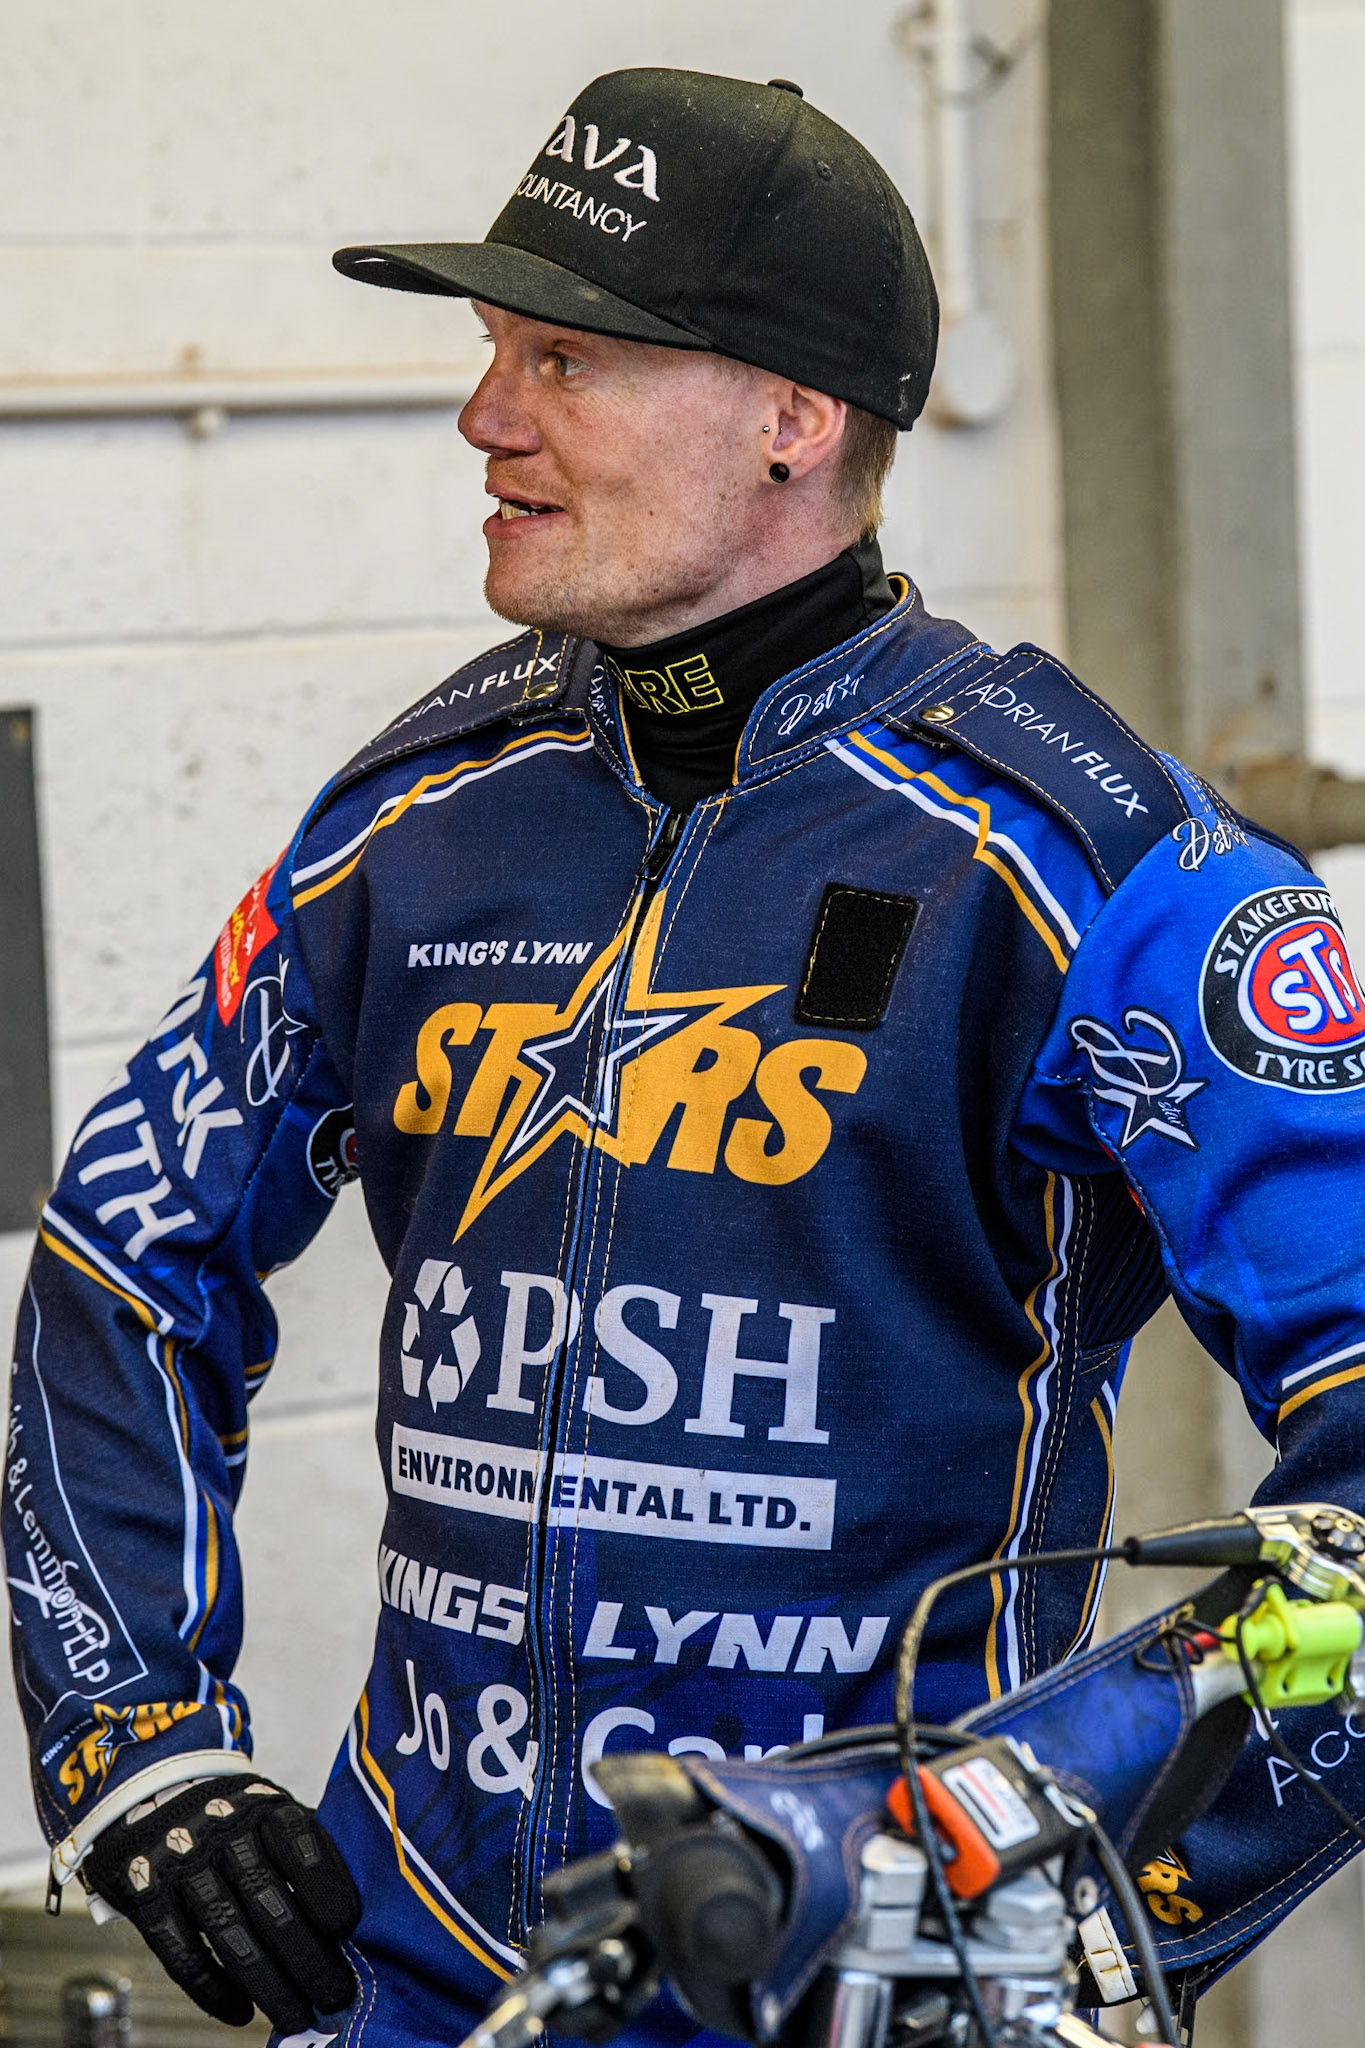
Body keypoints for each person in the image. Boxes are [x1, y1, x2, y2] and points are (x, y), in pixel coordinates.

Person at [7, 64, 1365, 2048]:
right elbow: (125, 1258)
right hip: (418, 1993)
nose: (484, 417)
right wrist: (132, 1741)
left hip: (876, 2000)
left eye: (562, 359)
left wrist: (1027, 1852)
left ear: (791, 422)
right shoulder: (418, 817)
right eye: (492, 352)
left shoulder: (1095, 874)